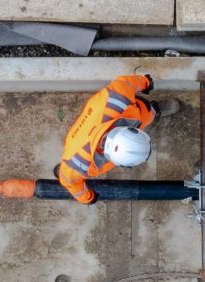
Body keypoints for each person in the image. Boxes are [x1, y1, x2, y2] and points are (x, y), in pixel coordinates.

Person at [55, 73, 157, 204]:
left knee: (147, 111)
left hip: (124, 113)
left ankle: (154, 110)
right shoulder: (76, 164)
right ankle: (154, 111)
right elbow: (70, 184)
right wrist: (87, 198)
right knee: (147, 115)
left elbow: (127, 83)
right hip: (122, 118)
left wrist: (145, 82)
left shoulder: (116, 101)